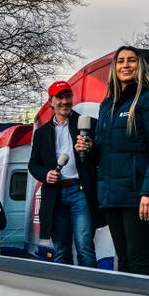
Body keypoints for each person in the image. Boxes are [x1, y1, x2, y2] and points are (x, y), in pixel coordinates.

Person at [77, 46, 149, 275]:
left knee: (138, 261)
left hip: (137, 194)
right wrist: (89, 149)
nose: (125, 65)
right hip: (111, 195)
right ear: (114, 68)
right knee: (123, 261)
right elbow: (103, 153)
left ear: (139, 66)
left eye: (131, 60)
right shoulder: (107, 106)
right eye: (120, 61)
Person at [30, 80, 102, 267]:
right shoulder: (41, 133)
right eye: (59, 97)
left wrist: (91, 148)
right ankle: (66, 292)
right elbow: (33, 164)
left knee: (84, 246)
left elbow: (101, 157)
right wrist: (45, 174)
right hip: (55, 195)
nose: (64, 101)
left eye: (67, 96)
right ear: (51, 102)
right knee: (61, 250)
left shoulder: (88, 124)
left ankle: (90, 291)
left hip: (81, 192)